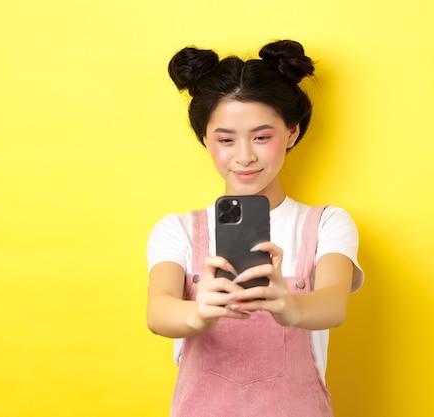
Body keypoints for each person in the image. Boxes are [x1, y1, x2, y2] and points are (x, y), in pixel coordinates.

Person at [146, 39, 364, 417]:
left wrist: (291, 306)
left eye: (262, 137)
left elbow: (333, 303)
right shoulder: (177, 230)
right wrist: (198, 313)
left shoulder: (328, 222)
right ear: (205, 140)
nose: (244, 156)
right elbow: (158, 311)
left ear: (292, 133)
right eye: (226, 140)